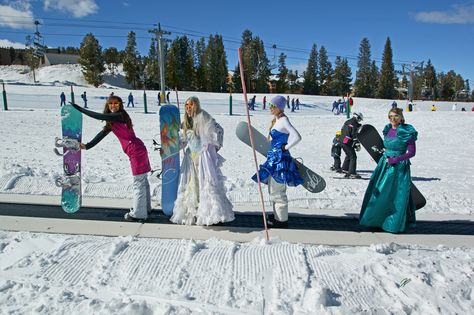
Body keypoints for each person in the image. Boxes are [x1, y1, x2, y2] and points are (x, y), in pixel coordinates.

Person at [72, 96, 151, 221]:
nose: (113, 106)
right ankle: (145, 209)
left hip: (136, 150)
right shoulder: (113, 121)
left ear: (120, 105)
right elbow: (101, 134)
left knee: (139, 182)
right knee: (143, 181)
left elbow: (99, 116)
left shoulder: (119, 116)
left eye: (116, 103)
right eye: (110, 104)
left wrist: (79, 109)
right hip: (137, 149)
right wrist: (87, 146)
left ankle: (139, 213)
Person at [170, 96, 234, 226]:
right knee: (192, 184)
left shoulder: (203, 116)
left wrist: (214, 147)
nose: (188, 108)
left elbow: (219, 130)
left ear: (196, 105)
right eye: (186, 105)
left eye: (191, 105)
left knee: (207, 184)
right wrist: (171, 147)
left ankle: (211, 215)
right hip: (190, 158)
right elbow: (183, 141)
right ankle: (195, 213)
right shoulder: (185, 121)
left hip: (203, 157)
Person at [359, 108, 418, 233]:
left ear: (401, 117)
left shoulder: (407, 131)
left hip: (398, 168)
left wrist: (396, 159)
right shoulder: (388, 129)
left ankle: (392, 223)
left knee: (395, 195)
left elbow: (412, 152)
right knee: (379, 192)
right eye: (390, 116)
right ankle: (375, 220)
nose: (393, 119)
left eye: (396, 116)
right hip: (384, 165)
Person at [252, 95, 304, 228]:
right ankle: (277, 217)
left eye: (272, 106)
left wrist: (285, 147)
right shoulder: (276, 120)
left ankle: (281, 221)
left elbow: (297, 136)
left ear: (279, 107)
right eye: (269, 105)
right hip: (273, 159)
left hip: (280, 161)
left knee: (278, 191)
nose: (270, 108)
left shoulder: (284, 120)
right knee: (273, 190)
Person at [340, 112, 363, 178]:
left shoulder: (348, 121)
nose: (359, 121)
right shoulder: (354, 123)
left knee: (349, 154)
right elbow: (354, 134)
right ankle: (352, 173)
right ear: (357, 117)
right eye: (359, 119)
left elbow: (343, 129)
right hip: (346, 142)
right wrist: (357, 143)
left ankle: (345, 169)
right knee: (353, 156)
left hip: (342, 140)